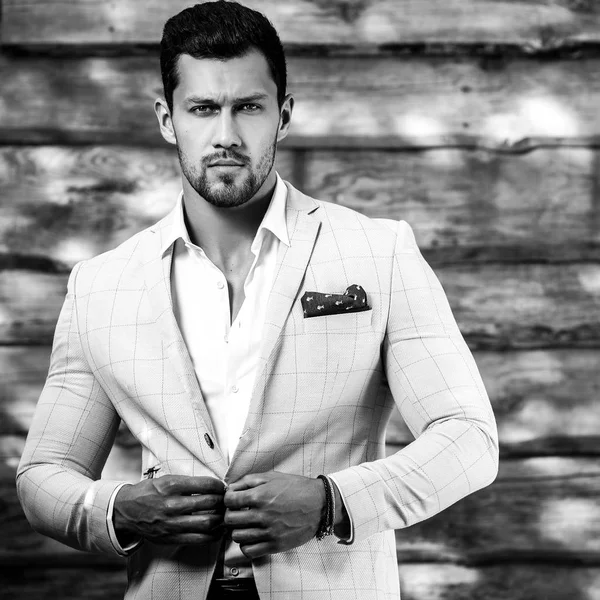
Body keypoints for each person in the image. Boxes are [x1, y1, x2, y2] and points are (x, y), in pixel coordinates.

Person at [16, 2, 499, 599]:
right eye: (202, 109)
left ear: (283, 115)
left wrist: (331, 502)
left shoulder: (380, 253)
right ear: (168, 119)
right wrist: (119, 508)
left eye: (248, 107)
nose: (226, 135)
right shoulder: (100, 285)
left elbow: (468, 438)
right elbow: (42, 478)